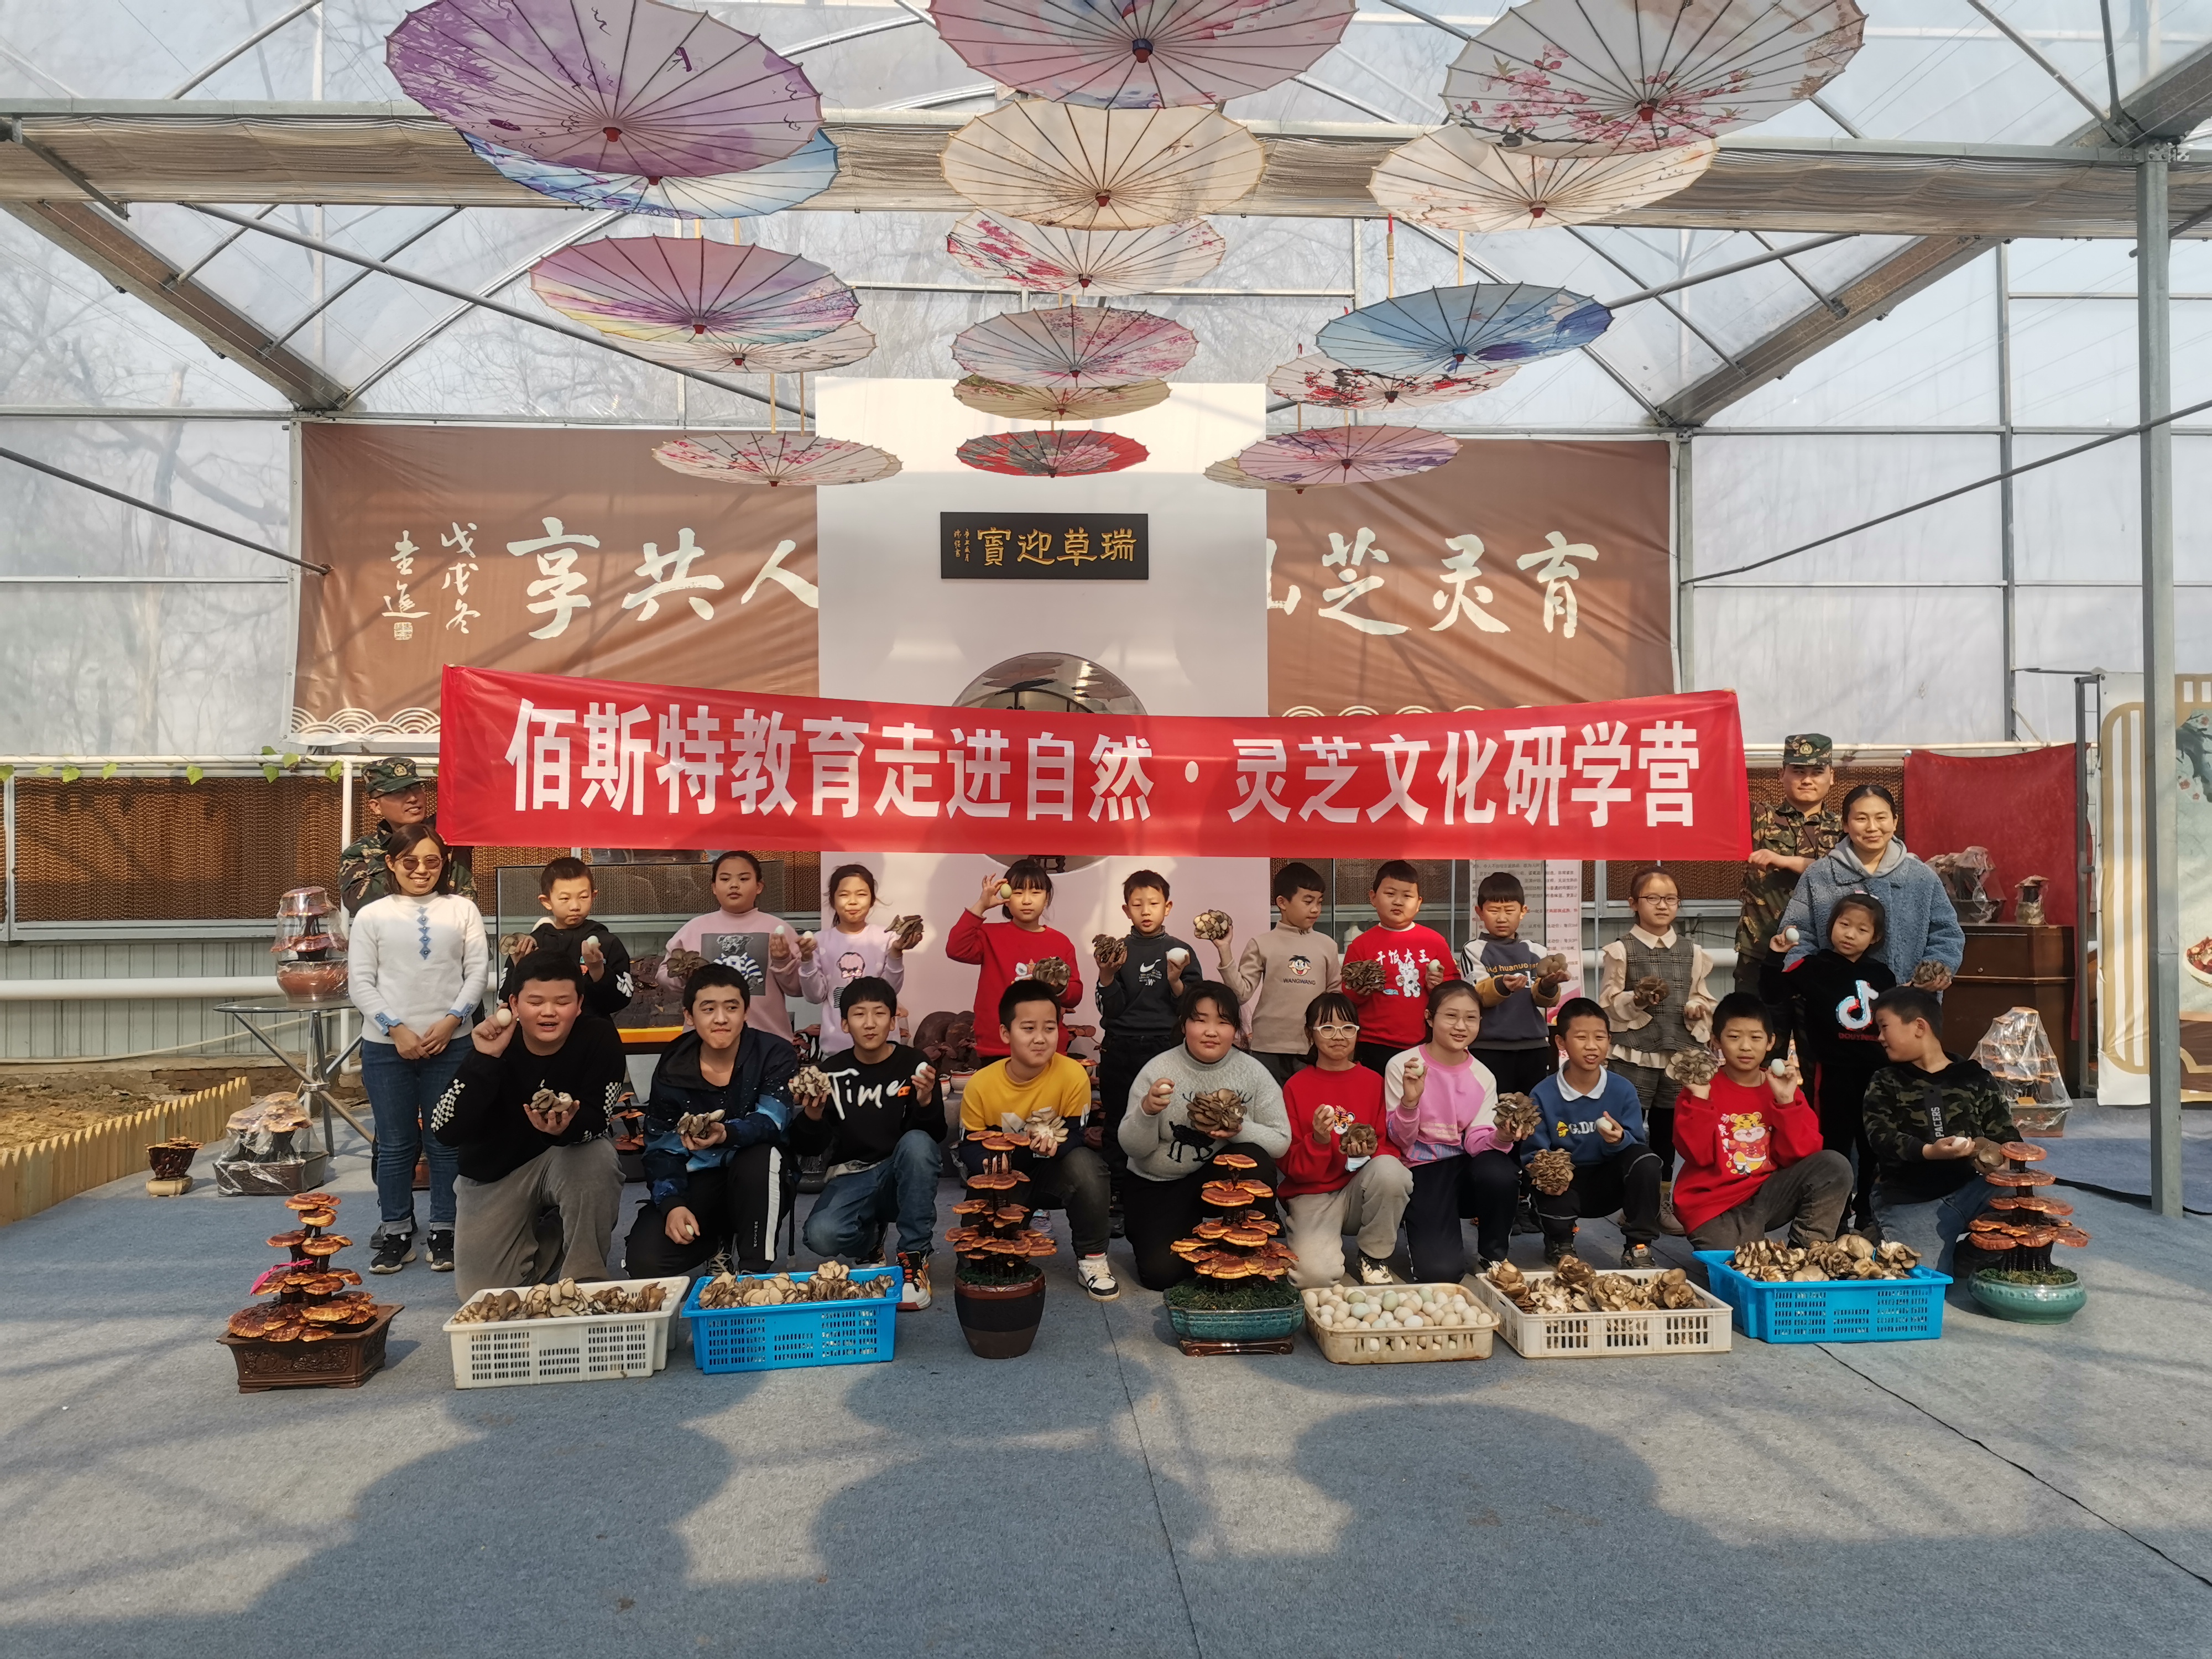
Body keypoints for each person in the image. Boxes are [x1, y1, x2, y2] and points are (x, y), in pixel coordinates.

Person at [432, 952, 628, 1300]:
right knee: (485, 1295)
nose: (549, 1012)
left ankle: (585, 1278)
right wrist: (484, 1060)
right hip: (495, 1171)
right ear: (514, 1004)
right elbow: (444, 1129)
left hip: (567, 1158)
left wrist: (563, 1129)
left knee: (597, 1157)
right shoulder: (492, 1041)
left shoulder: (599, 1037)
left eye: (562, 1002)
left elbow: (598, 1118)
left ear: (579, 1004)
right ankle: (552, 1230)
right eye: (536, 1002)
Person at [347, 822, 488, 1275]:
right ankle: (396, 1230)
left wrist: (452, 1022)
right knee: (395, 1144)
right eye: (410, 861)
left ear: (444, 863)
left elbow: (477, 973)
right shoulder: (371, 916)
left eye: (432, 861)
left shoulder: (463, 910)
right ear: (391, 863)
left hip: (452, 1044)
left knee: (445, 1141)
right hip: (386, 1048)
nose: (421, 870)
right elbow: (360, 983)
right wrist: (396, 1030)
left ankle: (446, 1228)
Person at [623, 964, 796, 1284]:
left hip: (759, 1174)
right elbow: (661, 1146)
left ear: (746, 1012)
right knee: (646, 1261)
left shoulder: (774, 1053)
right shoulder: (674, 1063)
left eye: (732, 1007)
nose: (721, 1019)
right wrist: (672, 1204)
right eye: (708, 1009)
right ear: (689, 1016)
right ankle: (718, 1240)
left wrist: (725, 1133)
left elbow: (773, 1121)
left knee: (761, 1157)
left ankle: (753, 1270)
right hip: (700, 1175)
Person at [1119, 982, 1293, 1291]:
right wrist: (1147, 1111)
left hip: (1216, 1177)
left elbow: (1280, 1142)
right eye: (1200, 1020)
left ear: (1235, 1030)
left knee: (1255, 1157)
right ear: (1183, 1024)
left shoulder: (1253, 1072)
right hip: (1159, 1182)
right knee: (1161, 1275)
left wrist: (1240, 1130)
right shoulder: (1157, 1070)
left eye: (1223, 1022)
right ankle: (1194, 1239)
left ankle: (1247, 1247)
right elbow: (1135, 1149)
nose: (1211, 1031)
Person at [960, 980, 1118, 1301]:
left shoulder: (1073, 1074)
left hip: (1053, 1171)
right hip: (1003, 1179)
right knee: (977, 1265)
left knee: (1087, 1167)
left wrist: (1056, 1145)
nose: (1040, 1038)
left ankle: (1093, 1259)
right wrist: (988, 1162)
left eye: (1049, 1027)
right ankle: (1006, 1252)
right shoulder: (981, 1084)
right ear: (1006, 1033)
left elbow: (1077, 1134)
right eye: (1028, 1028)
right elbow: (968, 1146)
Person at [793, 977, 944, 1308]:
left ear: (892, 1020)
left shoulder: (914, 1063)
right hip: (851, 1175)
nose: (870, 1023)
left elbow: (934, 1137)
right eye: (859, 1014)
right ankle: (870, 1240)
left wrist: (925, 1101)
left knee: (917, 1144)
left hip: (901, 1173)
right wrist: (813, 1115)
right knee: (821, 1236)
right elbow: (808, 1148)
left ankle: (914, 1256)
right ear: (845, 1024)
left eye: (879, 1013)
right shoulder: (830, 1072)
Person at [1671, 993, 1853, 1253]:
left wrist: (1786, 1102)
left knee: (1834, 1166)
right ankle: (1744, 1245)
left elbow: (1799, 1155)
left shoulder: (1781, 1087)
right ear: (1716, 1041)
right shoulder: (1701, 1089)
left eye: (1756, 1038)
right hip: (1712, 1206)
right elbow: (1698, 1156)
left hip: (1766, 1194)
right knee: (1741, 1264)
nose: (1746, 1047)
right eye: (1734, 1037)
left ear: (1771, 1042)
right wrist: (1700, 1099)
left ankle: (1807, 1250)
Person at [1861, 986, 2022, 1275]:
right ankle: (1881, 1235)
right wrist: (1928, 1152)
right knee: (1928, 1279)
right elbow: (1880, 1136)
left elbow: (2008, 1138)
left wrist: (1996, 1157)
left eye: (1884, 1027)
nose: (1880, 1037)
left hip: (1969, 1190)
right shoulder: (1885, 1080)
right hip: (1909, 1200)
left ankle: (1969, 1257)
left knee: (2024, 1198)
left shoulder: (1975, 1078)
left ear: (1919, 1027)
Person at [1774, 894, 1897, 1238]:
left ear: (1875, 938)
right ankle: (1836, 1213)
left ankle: (1869, 1213)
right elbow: (1773, 991)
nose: (1850, 934)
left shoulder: (1883, 975)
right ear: (1831, 927)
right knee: (1834, 1143)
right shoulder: (1813, 967)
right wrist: (1775, 956)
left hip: (1876, 1074)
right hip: (1831, 1071)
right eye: (1844, 925)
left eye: (1862, 930)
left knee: (1873, 1144)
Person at [1383, 979, 1521, 1280]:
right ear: (1430, 1018)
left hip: (1467, 1164)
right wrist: (1410, 1103)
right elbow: (1401, 1140)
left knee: (1500, 1172)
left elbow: (1476, 1141)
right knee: (1440, 1273)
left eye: (1471, 1018)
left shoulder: (1483, 1076)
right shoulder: (1403, 1066)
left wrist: (1502, 1136)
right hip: (1422, 1167)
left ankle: (1492, 1254)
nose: (1461, 1026)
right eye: (1451, 1016)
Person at [1278, 992, 1410, 1288]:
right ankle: (1316, 1246)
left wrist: (1366, 1154)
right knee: (1313, 1277)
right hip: (1312, 1194)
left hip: (1359, 1190)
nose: (1339, 1036)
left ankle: (1373, 1255)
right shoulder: (1295, 1087)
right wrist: (1318, 1140)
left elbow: (1389, 1148)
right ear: (1310, 1034)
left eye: (1348, 1027)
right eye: (1327, 1028)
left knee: (1392, 1172)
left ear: (1358, 1032)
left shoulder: (1374, 1082)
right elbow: (1290, 1165)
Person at [1597, 865, 1717, 1191]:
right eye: (1652, 898)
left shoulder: (1692, 951)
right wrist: (1636, 1001)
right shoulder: (1621, 949)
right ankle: (1630, 1194)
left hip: (1679, 1053)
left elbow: (1701, 995)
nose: (1663, 906)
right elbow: (1609, 1003)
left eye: (1671, 899)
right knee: (1628, 1124)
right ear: (1633, 903)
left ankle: (1662, 1195)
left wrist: (1697, 1007)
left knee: (1668, 1129)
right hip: (1633, 1052)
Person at [1781, 784, 1965, 990]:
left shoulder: (1921, 877)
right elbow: (1797, 934)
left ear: (1895, 822)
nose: (1872, 827)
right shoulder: (1820, 875)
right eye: (1861, 819)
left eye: (1881, 818)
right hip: (1833, 1001)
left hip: (1908, 1001)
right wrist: (1812, 979)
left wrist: (1930, 974)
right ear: (1845, 824)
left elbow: (1947, 934)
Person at [1525, 998, 1663, 1268]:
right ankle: (1560, 1241)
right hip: (1565, 1186)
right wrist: (1549, 1173)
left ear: (1609, 1040)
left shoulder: (1622, 1089)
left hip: (1609, 1183)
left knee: (1647, 1162)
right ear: (1561, 1042)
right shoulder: (1542, 1094)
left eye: (1599, 1037)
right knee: (1544, 1168)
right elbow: (1533, 1154)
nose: (1592, 1046)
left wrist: (1619, 1141)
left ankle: (1639, 1245)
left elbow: (1637, 1146)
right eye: (1581, 1037)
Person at [1093, 869, 1198, 1224]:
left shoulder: (1181, 951)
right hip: (1120, 1047)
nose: (1146, 910)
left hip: (1166, 1048)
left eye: (1153, 903)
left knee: (1169, 1120)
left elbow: (1193, 1007)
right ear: (1126, 910)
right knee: (1117, 1122)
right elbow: (1110, 1009)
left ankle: (1164, 1188)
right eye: (1137, 904)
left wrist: (1175, 981)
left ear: (1168, 907)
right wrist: (1107, 974)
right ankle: (1117, 1194)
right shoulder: (1116, 951)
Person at [1733, 733, 1841, 998]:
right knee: (1754, 1022)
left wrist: (1783, 860)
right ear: (1781, 774)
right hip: (1760, 949)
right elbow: (1716, 793)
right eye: (1798, 771)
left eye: (1817, 772)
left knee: (1815, 1025)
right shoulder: (1759, 817)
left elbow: (1844, 873)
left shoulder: (1845, 828)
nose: (1807, 780)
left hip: (1823, 951)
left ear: (1832, 777)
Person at [1214, 860, 1341, 1086]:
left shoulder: (1328, 945)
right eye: (1308, 901)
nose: (1315, 909)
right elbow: (1241, 994)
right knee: (1267, 1103)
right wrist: (1225, 951)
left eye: (1319, 902)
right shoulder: (1261, 943)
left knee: (1307, 1104)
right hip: (1267, 1047)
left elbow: (1335, 997)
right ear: (1282, 902)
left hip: (1311, 1047)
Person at [946, 859, 1083, 1060]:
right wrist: (981, 905)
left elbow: (1075, 995)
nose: (1026, 900)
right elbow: (956, 949)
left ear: (1046, 899)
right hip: (997, 1046)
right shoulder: (989, 935)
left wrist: (1058, 987)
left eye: (1035, 893)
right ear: (1006, 897)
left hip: (1046, 1049)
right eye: (1018, 893)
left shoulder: (1061, 942)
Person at [661, 850, 804, 1041]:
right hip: (706, 1042)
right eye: (725, 879)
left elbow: (799, 989)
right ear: (714, 887)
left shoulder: (779, 930)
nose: (734, 885)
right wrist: (683, 977)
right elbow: (664, 976)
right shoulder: (694, 929)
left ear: (759, 886)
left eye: (744, 879)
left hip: (767, 1042)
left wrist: (783, 960)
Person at [1342, 860, 1454, 1074]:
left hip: (1424, 1042)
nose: (1398, 902)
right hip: (1372, 1042)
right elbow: (1348, 994)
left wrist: (1438, 987)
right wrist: (1360, 991)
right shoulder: (1361, 945)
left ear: (1419, 903)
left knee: (1419, 1094)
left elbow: (1454, 991)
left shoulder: (1435, 942)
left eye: (1407, 896)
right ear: (1373, 898)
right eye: (1390, 894)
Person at [1463, 869, 1566, 1098]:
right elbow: (1477, 995)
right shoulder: (1473, 950)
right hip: (1488, 1047)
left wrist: (1549, 985)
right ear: (1479, 912)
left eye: (1509, 911)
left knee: (1532, 1109)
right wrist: (1502, 985)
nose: (1502, 918)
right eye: (1494, 911)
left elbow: (1544, 999)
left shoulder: (1536, 950)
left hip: (1535, 1046)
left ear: (1523, 912)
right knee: (1493, 1109)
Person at [797, 863, 909, 1057]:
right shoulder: (820, 941)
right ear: (832, 900)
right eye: (844, 895)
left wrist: (896, 954)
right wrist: (806, 960)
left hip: (884, 1048)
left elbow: (890, 991)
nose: (853, 902)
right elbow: (815, 996)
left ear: (872, 900)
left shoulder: (886, 938)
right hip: (837, 1050)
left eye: (861, 894)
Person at [499, 855, 632, 1018]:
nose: (575, 906)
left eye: (583, 897)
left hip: (592, 1031)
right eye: (565, 898)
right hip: (541, 1031)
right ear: (546, 901)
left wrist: (598, 971)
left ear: (593, 897)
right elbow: (505, 1002)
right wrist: (520, 968)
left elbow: (622, 1000)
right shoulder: (531, 945)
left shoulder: (607, 942)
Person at [338, 755, 475, 912]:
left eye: (416, 788)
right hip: (395, 927)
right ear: (376, 806)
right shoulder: (361, 851)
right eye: (399, 792)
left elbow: (483, 801)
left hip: (458, 924)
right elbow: (356, 902)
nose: (413, 798)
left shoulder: (449, 829)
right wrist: (406, 863)